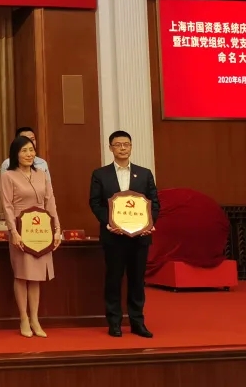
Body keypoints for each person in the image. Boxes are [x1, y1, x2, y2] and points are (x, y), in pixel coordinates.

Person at [89, 130, 160, 338]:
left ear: (131, 147)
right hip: (114, 237)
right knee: (114, 279)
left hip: (140, 237)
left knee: (137, 280)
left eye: (126, 144)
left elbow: (154, 203)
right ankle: (114, 322)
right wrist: (109, 222)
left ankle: (137, 322)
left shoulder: (144, 174)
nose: (122, 148)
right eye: (118, 145)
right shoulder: (100, 174)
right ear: (110, 148)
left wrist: (149, 223)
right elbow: (95, 203)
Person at [1, 135, 61, 338]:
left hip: (41, 231)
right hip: (21, 230)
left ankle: (35, 318)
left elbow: (50, 202)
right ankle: (23, 318)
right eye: (24, 150)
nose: (29, 154)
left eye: (32, 150)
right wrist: (13, 232)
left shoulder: (42, 174)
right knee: (22, 274)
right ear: (16, 154)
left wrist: (57, 230)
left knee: (36, 276)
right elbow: (7, 206)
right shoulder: (8, 176)